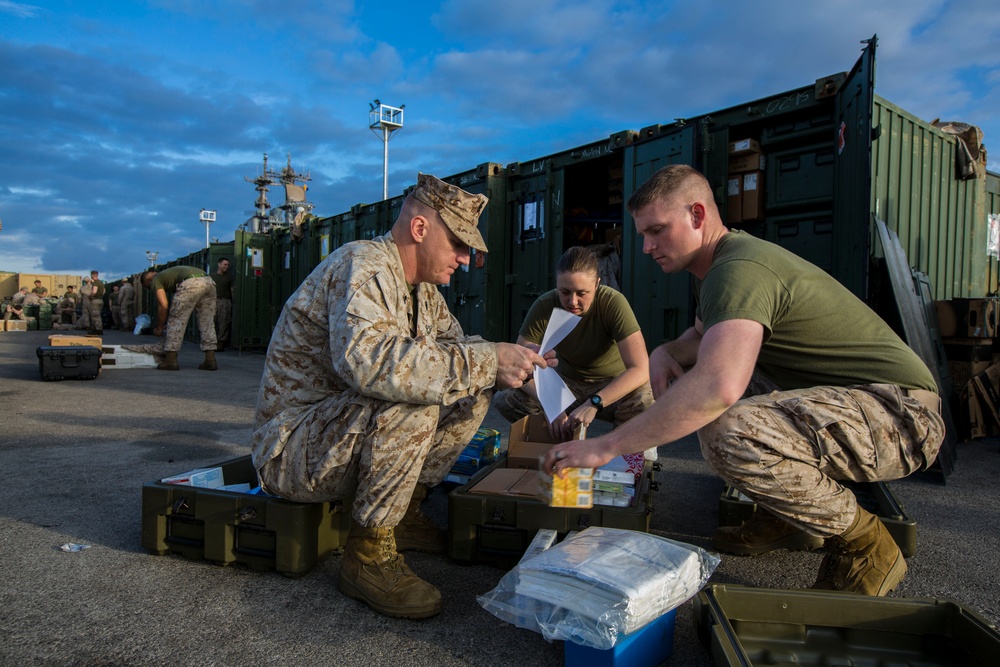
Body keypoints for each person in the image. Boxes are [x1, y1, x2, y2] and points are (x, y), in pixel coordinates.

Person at [543, 164, 945, 597]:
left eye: (657, 231)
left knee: (725, 427)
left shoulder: (738, 270)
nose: (646, 247)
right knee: (712, 387)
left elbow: (718, 387)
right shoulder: (721, 266)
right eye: (643, 234)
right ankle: (785, 512)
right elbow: (700, 338)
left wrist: (605, 446)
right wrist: (666, 351)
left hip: (902, 415)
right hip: (864, 403)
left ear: (698, 215)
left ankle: (865, 543)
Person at [251, 173, 552, 620]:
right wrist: (488, 361)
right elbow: (370, 364)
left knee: (469, 388)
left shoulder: (422, 292)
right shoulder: (365, 265)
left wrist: (520, 366)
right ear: (419, 229)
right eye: (458, 244)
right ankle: (368, 555)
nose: (466, 259)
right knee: (414, 391)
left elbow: (460, 351)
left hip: (334, 437)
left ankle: (402, 511)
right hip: (292, 450)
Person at [493, 245, 654, 448]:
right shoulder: (545, 306)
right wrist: (553, 406)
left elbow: (640, 369)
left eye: (582, 293)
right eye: (565, 292)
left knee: (644, 400)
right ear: (557, 285)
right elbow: (520, 370)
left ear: (597, 284)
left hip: (609, 385)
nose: (572, 301)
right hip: (566, 385)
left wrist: (595, 402)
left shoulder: (613, 303)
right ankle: (555, 445)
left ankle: (620, 454)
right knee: (506, 398)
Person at [126, 266, 218, 370]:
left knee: (176, 320)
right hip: (209, 282)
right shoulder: (169, 274)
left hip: (191, 283)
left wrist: (159, 327)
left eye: (148, 287)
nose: (151, 289)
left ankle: (171, 360)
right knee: (207, 322)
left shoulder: (156, 279)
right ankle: (210, 359)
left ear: (149, 280)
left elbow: (163, 305)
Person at [210, 257, 234, 351]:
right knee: (211, 323)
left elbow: (232, 291)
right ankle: (212, 343)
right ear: (219, 264)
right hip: (213, 301)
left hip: (225, 302)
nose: (226, 267)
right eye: (225, 264)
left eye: (228, 265)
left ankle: (221, 343)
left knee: (224, 323)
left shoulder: (229, 277)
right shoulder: (211, 277)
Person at [86, 270, 105, 336]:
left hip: (95, 300)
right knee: (98, 315)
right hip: (100, 300)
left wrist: (90, 296)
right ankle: (97, 329)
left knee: (95, 316)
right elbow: (104, 291)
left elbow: (94, 291)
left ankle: (98, 329)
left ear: (92, 275)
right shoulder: (101, 282)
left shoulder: (95, 283)